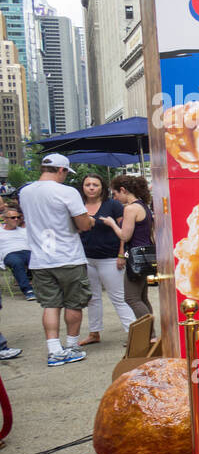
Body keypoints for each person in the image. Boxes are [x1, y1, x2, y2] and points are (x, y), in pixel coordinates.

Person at [19, 154, 92, 367]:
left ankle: (53, 350)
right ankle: (71, 345)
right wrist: (88, 221)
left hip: (40, 258)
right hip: (68, 255)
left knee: (50, 305)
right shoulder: (67, 192)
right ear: (61, 170)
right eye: (66, 173)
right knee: (74, 303)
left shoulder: (25, 192)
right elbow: (84, 224)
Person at [77, 173, 135, 344]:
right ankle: (94, 333)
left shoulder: (113, 205)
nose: (91, 188)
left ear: (102, 187)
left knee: (119, 297)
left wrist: (121, 254)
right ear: (83, 187)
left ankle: (133, 333)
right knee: (92, 298)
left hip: (110, 257)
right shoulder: (79, 206)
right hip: (87, 257)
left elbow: (124, 232)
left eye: (95, 184)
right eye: (88, 184)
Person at [99, 175, 154, 321]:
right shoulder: (142, 205)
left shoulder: (131, 208)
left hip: (135, 257)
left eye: (115, 193)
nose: (115, 198)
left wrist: (112, 223)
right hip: (144, 256)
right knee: (142, 297)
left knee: (131, 298)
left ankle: (149, 335)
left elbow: (125, 236)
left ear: (123, 190)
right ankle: (149, 334)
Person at [0, 205, 35, 300]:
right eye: (12, 217)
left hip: (27, 252)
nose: (16, 219)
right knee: (17, 262)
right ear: (5, 219)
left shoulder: (24, 231)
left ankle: (46, 288)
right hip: (10, 254)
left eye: (18, 217)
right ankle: (28, 290)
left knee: (39, 259)